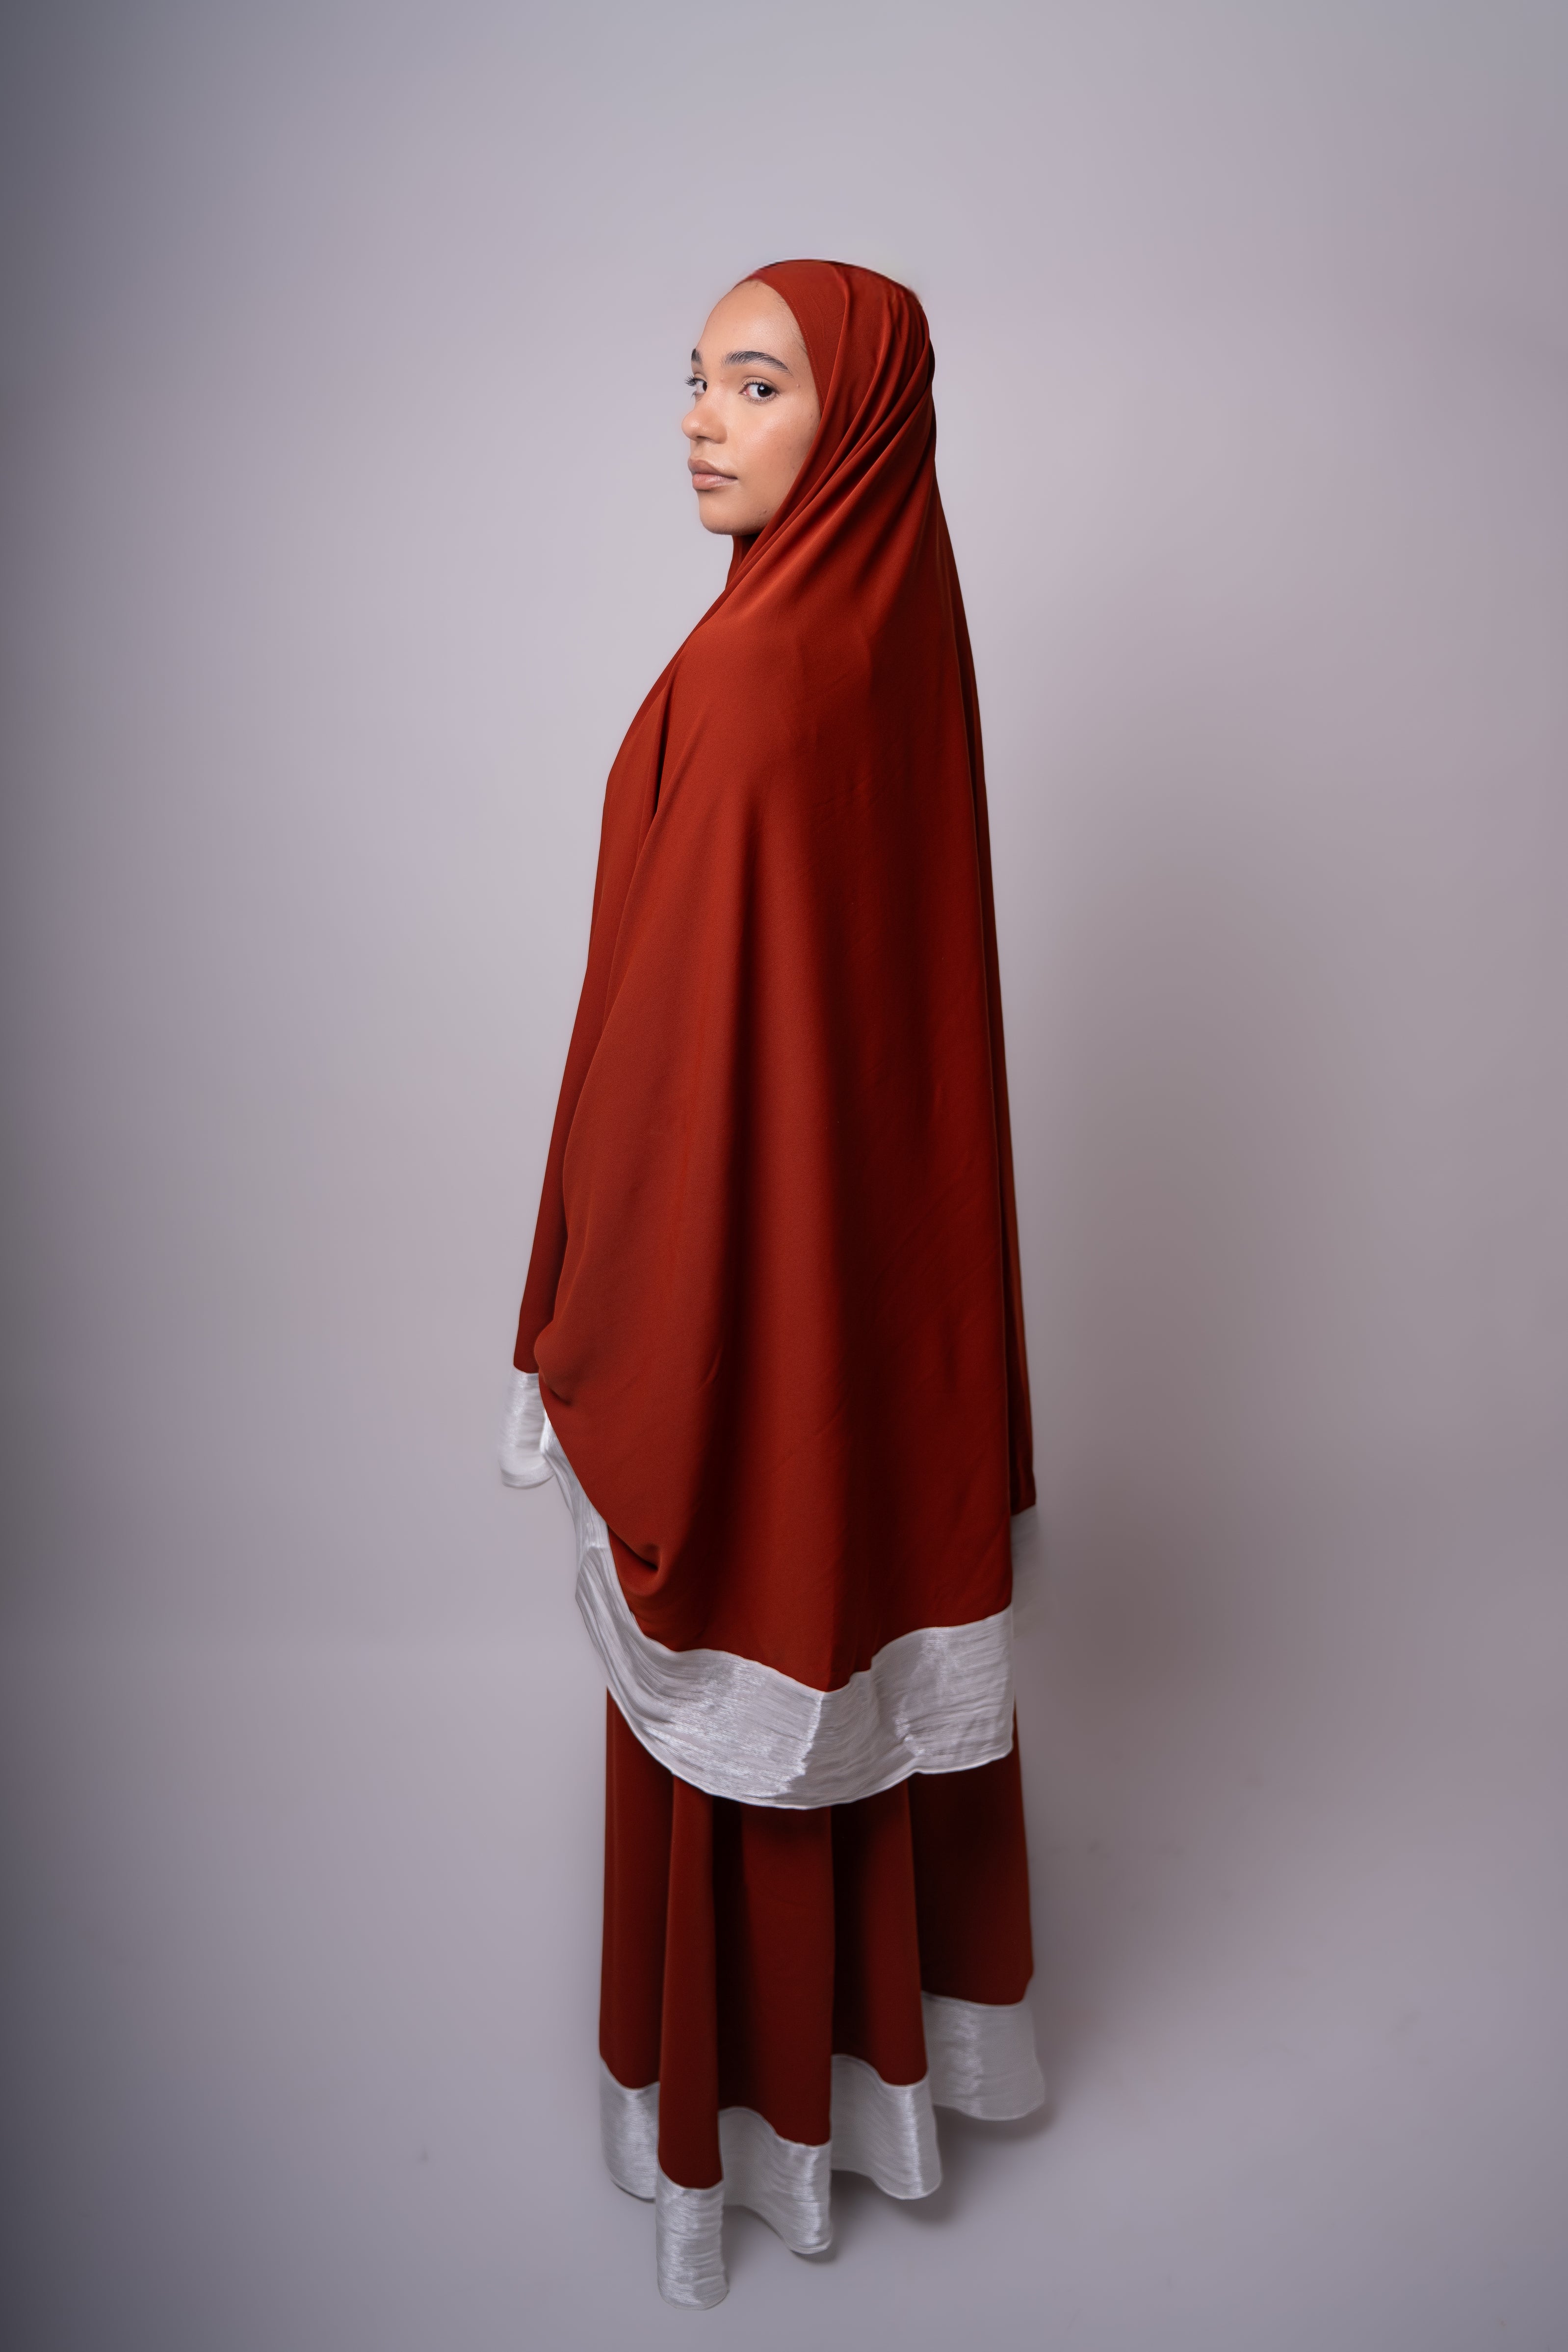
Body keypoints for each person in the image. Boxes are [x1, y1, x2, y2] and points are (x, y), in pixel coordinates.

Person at [501, 260, 1042, 2307]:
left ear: (860, 422)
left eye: (756, 384)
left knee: (756, 1602)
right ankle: (883, 2093)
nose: (699, 420)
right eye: (698, 379)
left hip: (745, 1273)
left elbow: (666, 1063)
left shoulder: (749, 673)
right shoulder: (897, 630)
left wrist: (582, 1311)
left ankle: (742, 2124)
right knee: (855, 1607)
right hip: (870, 1296)